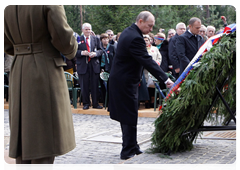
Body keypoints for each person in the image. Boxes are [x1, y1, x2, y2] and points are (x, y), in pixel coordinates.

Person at [4, 5, 77, 170]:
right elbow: (63, 38)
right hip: (43, 70)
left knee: (24, 142)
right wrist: (72, 49)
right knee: (43, 142)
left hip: (19, 68)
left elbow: (6, 44)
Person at [108, 11, 174, 160]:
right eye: (149, 26)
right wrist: (166, 79)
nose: (151, 29)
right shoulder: (134, 38)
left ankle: (133, 145)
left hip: (124, 80)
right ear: (141, 21)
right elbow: (147, 60)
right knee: (128, 115)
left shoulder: (130, 32)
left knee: (130, 114)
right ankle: (127, 150)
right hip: (124, 82)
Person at [75, 23, 103, 110]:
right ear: (82, 30)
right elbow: (73, 51)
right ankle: (86, 103)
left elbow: (101, 50)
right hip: (83, 65)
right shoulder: (78, 39)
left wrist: (95, 54)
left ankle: (95, 103)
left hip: (94, 64)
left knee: (94, 85)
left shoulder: (96, 39)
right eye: (86, 29)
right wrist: (82, 53)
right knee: (84, 85)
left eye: (89, 29)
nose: (88, 31)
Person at [143, 34, 162, 108]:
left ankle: (153, 101)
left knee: (153, 86)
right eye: (144, 41)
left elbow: (159, 57)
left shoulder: (154, 48)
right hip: (144, 71)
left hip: (153, 70)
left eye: (147, 40)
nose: (145, 42)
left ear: (149, 41)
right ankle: (146, 101)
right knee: (146, 86)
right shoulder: (141, 49)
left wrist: (157, 63)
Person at [99, 33, 116, 106]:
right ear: (101, 40)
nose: (106, 40)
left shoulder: (112, 47)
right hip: (102, 68)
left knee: (111, 86)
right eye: (104, 39)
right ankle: (105, 102)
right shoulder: (99, 48)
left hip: (111, 69)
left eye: (107, 39)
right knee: (103, 86)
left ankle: (111, 102)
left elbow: (116, 58)